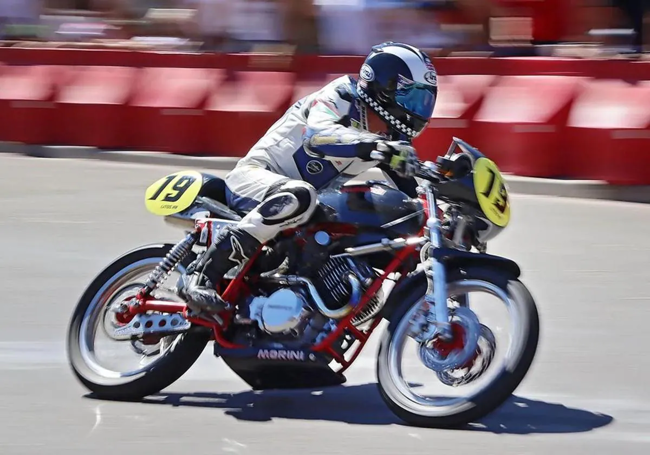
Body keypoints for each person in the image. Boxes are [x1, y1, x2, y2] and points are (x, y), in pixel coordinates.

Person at [178, 41, 439, 314]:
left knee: (363, 221)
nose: (419, 108)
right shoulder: (341, 96)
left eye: (425, 99)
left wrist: (442, 205)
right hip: (255, 178)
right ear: (383, 85)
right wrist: (374, 145)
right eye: (413, 96)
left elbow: (413, 191)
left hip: (303, 208)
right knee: (301, 196)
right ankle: (202, 274)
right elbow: (317, 135)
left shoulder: (392, 137)